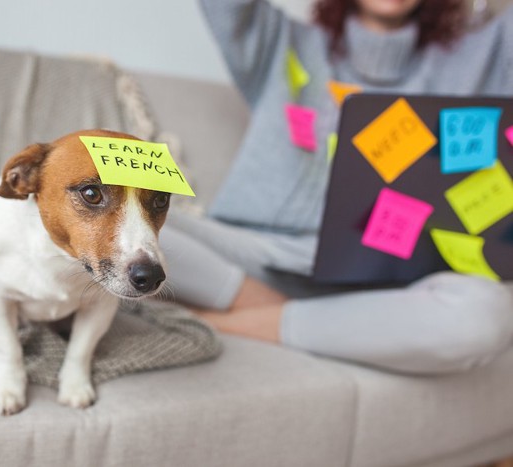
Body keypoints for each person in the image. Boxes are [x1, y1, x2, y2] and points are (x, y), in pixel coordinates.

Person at [159, 0, 513, 374]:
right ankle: (291, 313)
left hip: (392, 287)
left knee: (484, 315)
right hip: (257, 257)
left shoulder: (483, 55)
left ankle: (231, 322)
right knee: (125, 219)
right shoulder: (281, 41)